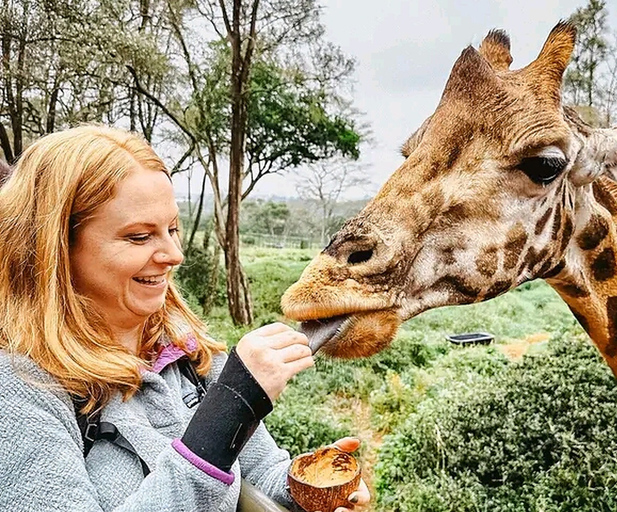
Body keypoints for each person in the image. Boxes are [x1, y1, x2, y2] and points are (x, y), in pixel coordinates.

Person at [0, 125, 370, 512]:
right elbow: (214, 449)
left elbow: (260, 469)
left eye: (172, 229)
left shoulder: (189, 352)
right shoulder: (20, 388)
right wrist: (229, 411)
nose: (174, 254)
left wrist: (306, 486)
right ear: (56, 247)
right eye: (140, 237)